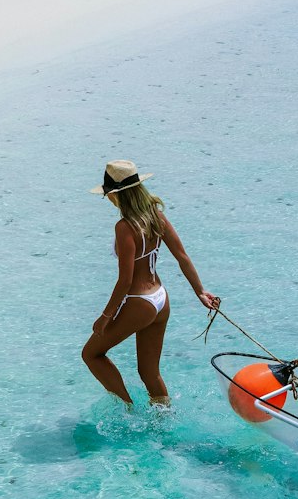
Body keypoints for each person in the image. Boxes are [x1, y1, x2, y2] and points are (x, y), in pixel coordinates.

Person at [82, 160, 219, 407]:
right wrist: (200, 292)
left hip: (139, 303)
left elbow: (125, 281)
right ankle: (163, 421)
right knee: (149, 372)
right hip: (160, 299)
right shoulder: (157, 217)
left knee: (91, 354)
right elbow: (182, 257)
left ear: (116, 196)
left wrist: (105, 316)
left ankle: (127, 410)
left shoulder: (125, 227)